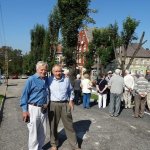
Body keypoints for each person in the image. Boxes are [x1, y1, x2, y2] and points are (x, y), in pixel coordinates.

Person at [48, 64, 80, 150]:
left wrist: (71, 100)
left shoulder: (66, 80)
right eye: (56, 71)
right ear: (53, 72)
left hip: (65, 104)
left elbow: (70, 90)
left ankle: (75, 146)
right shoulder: (49, 80)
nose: (58, 73)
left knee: (69, 125)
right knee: (53, 126)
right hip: (53, 104)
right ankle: (54, 144)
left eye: (59, 71)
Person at [20, 61, 49, 150]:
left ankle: (40, 148)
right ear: (37, 69)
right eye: (41, 69)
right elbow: (24, 95)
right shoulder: (31, 79)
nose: (43, 71)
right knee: (33, 132)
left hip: (44, 108)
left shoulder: (47, 79)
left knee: (43, 131)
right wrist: (25, 110)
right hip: (33, 108)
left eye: (45, 70)